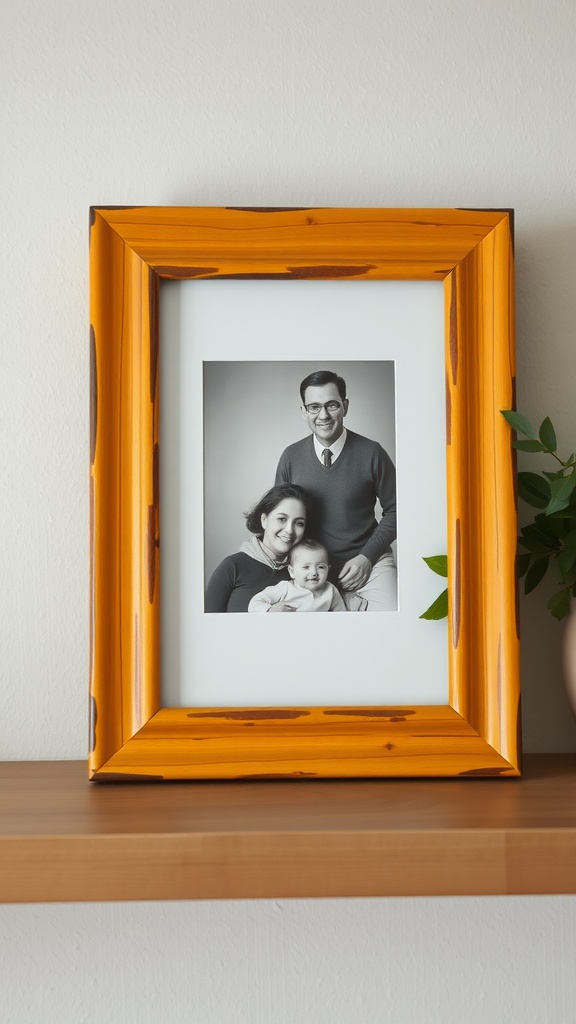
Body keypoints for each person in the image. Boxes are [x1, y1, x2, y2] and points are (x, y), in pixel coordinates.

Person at [275, 369, 397, 611]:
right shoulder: (290, 457)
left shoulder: (372, 453)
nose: (323, 415)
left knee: (389, 625)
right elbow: (279, 520)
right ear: (304, 411)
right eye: (314, 407)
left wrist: (367, 557)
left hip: (369, 563)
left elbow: (398, 510)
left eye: (331, 405)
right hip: (311, 569)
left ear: (345, 406)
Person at [205, 484, 308, 612]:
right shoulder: (232, 566)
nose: (289, 530)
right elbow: (207, 627)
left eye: (299, 523)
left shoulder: (303, 573)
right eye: (282, 519)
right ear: (264, 520)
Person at [248, 538, 347, 612]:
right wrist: (270, 610)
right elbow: (255, 602)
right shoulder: (285, 588)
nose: (314, 573)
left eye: (320, 567)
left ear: (328, 569)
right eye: (306, 567)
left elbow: (343, 616)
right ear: (292, 571)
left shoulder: (331, 590)